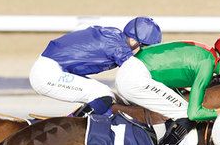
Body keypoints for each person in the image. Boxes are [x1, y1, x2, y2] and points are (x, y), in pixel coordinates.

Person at [115, 30, 220, 145]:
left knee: (179, 105)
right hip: (134, 79)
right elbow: (194, 113)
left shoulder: (207, 55)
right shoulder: (207, 64)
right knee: (184, 113)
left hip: (133, 73)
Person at [29, 17, 162, 116]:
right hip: (47, 74)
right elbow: (140, 72)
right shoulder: (118, 47)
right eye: (143, 46)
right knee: (103, 96)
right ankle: (71, 128)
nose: (141, 50)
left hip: (53, 68)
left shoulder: (115, 36)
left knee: (114, 98)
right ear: (133, 40)